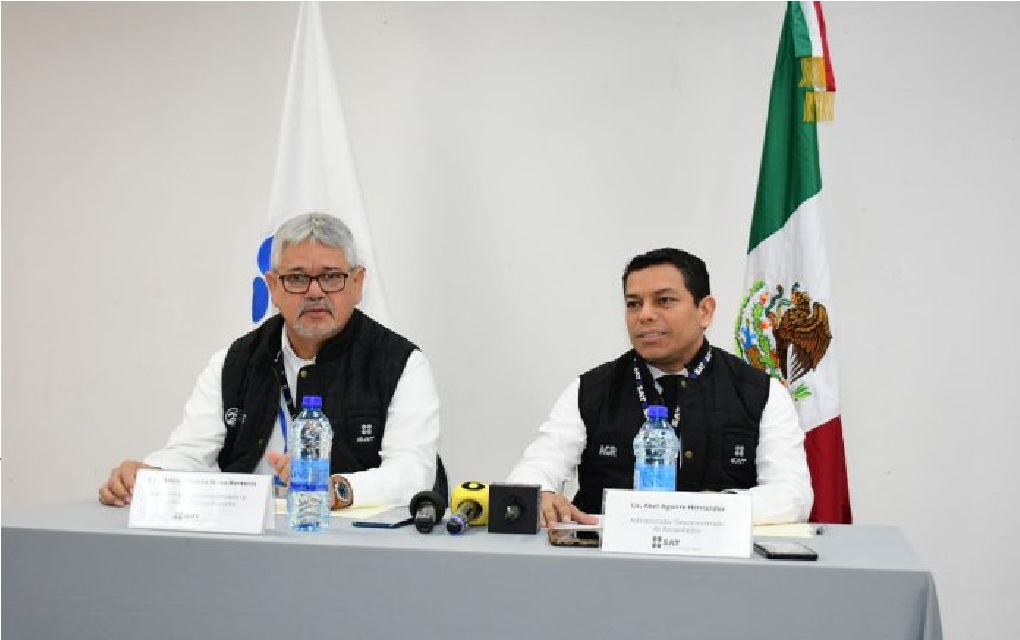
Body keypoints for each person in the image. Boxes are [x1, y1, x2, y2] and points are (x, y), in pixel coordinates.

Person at [99, 212, 443, 510]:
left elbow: (413, 473)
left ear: (357, 283)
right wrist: (149, 475)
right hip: (249, 543)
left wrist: (337, 489)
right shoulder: (232, 363)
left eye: (331, 276)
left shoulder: (401, 364)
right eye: (297, 278)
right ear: (273, 287)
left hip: (356, 547)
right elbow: (191, 452)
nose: (315, 292)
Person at [507, 248, 812, 527]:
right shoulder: (589, 390)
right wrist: (542, 493)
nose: (645, 315)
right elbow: (535, 468)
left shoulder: (762, 393)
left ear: (705, 311)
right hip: (608, 561)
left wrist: (708, 509)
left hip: (718, 562)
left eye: (664, 300)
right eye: (633, 304)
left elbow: (793, 495)